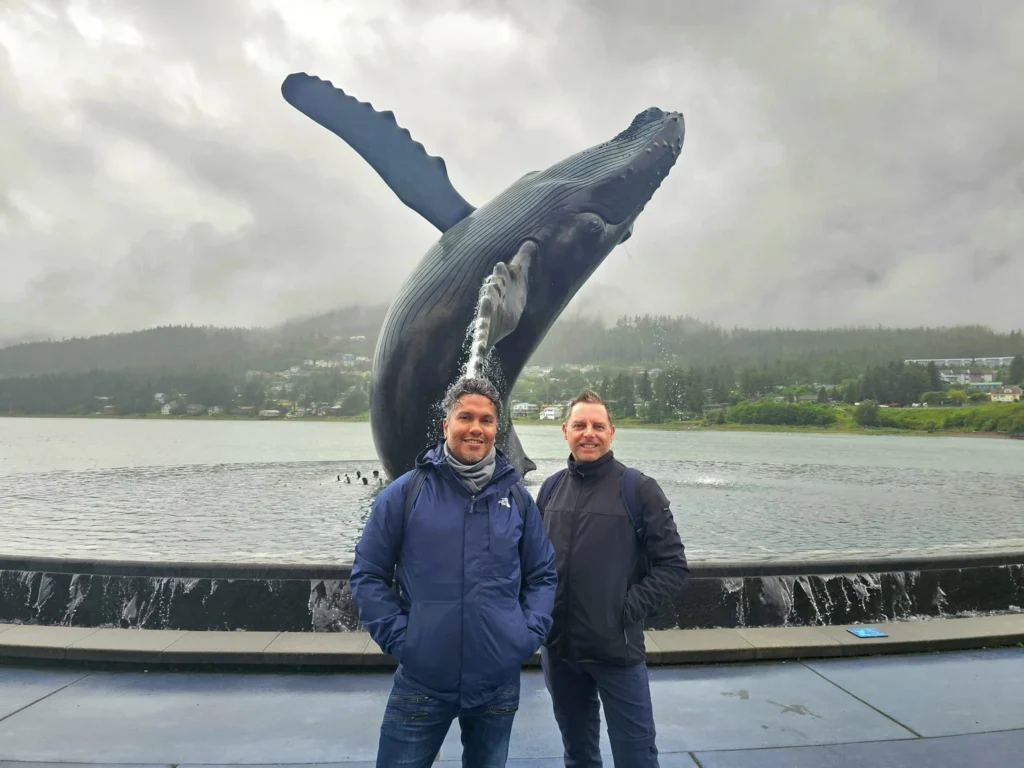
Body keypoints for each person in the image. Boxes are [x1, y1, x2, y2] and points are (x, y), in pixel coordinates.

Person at [350, 376, 557, 768]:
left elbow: (542, 574)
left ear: (497, 429)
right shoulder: (404, 494)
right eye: (466, 417)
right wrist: (403, 639)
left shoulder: (518, 500)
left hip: (497, 681)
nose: (476, 428)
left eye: (486, 419)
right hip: (422, 680)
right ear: (446, 425)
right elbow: (368, 573)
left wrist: (524, 636)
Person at [535, 389, 689, 768]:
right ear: (564, 431)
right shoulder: (550, 488)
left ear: (612, 432)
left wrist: (623, 609)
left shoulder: (638, 489)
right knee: (578, 754)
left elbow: (672, 565)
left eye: (598, 425)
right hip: (559, 653)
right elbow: (533, 564)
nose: (589, 433)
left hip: (617, 653)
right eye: (580, 425)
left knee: (636, 755)